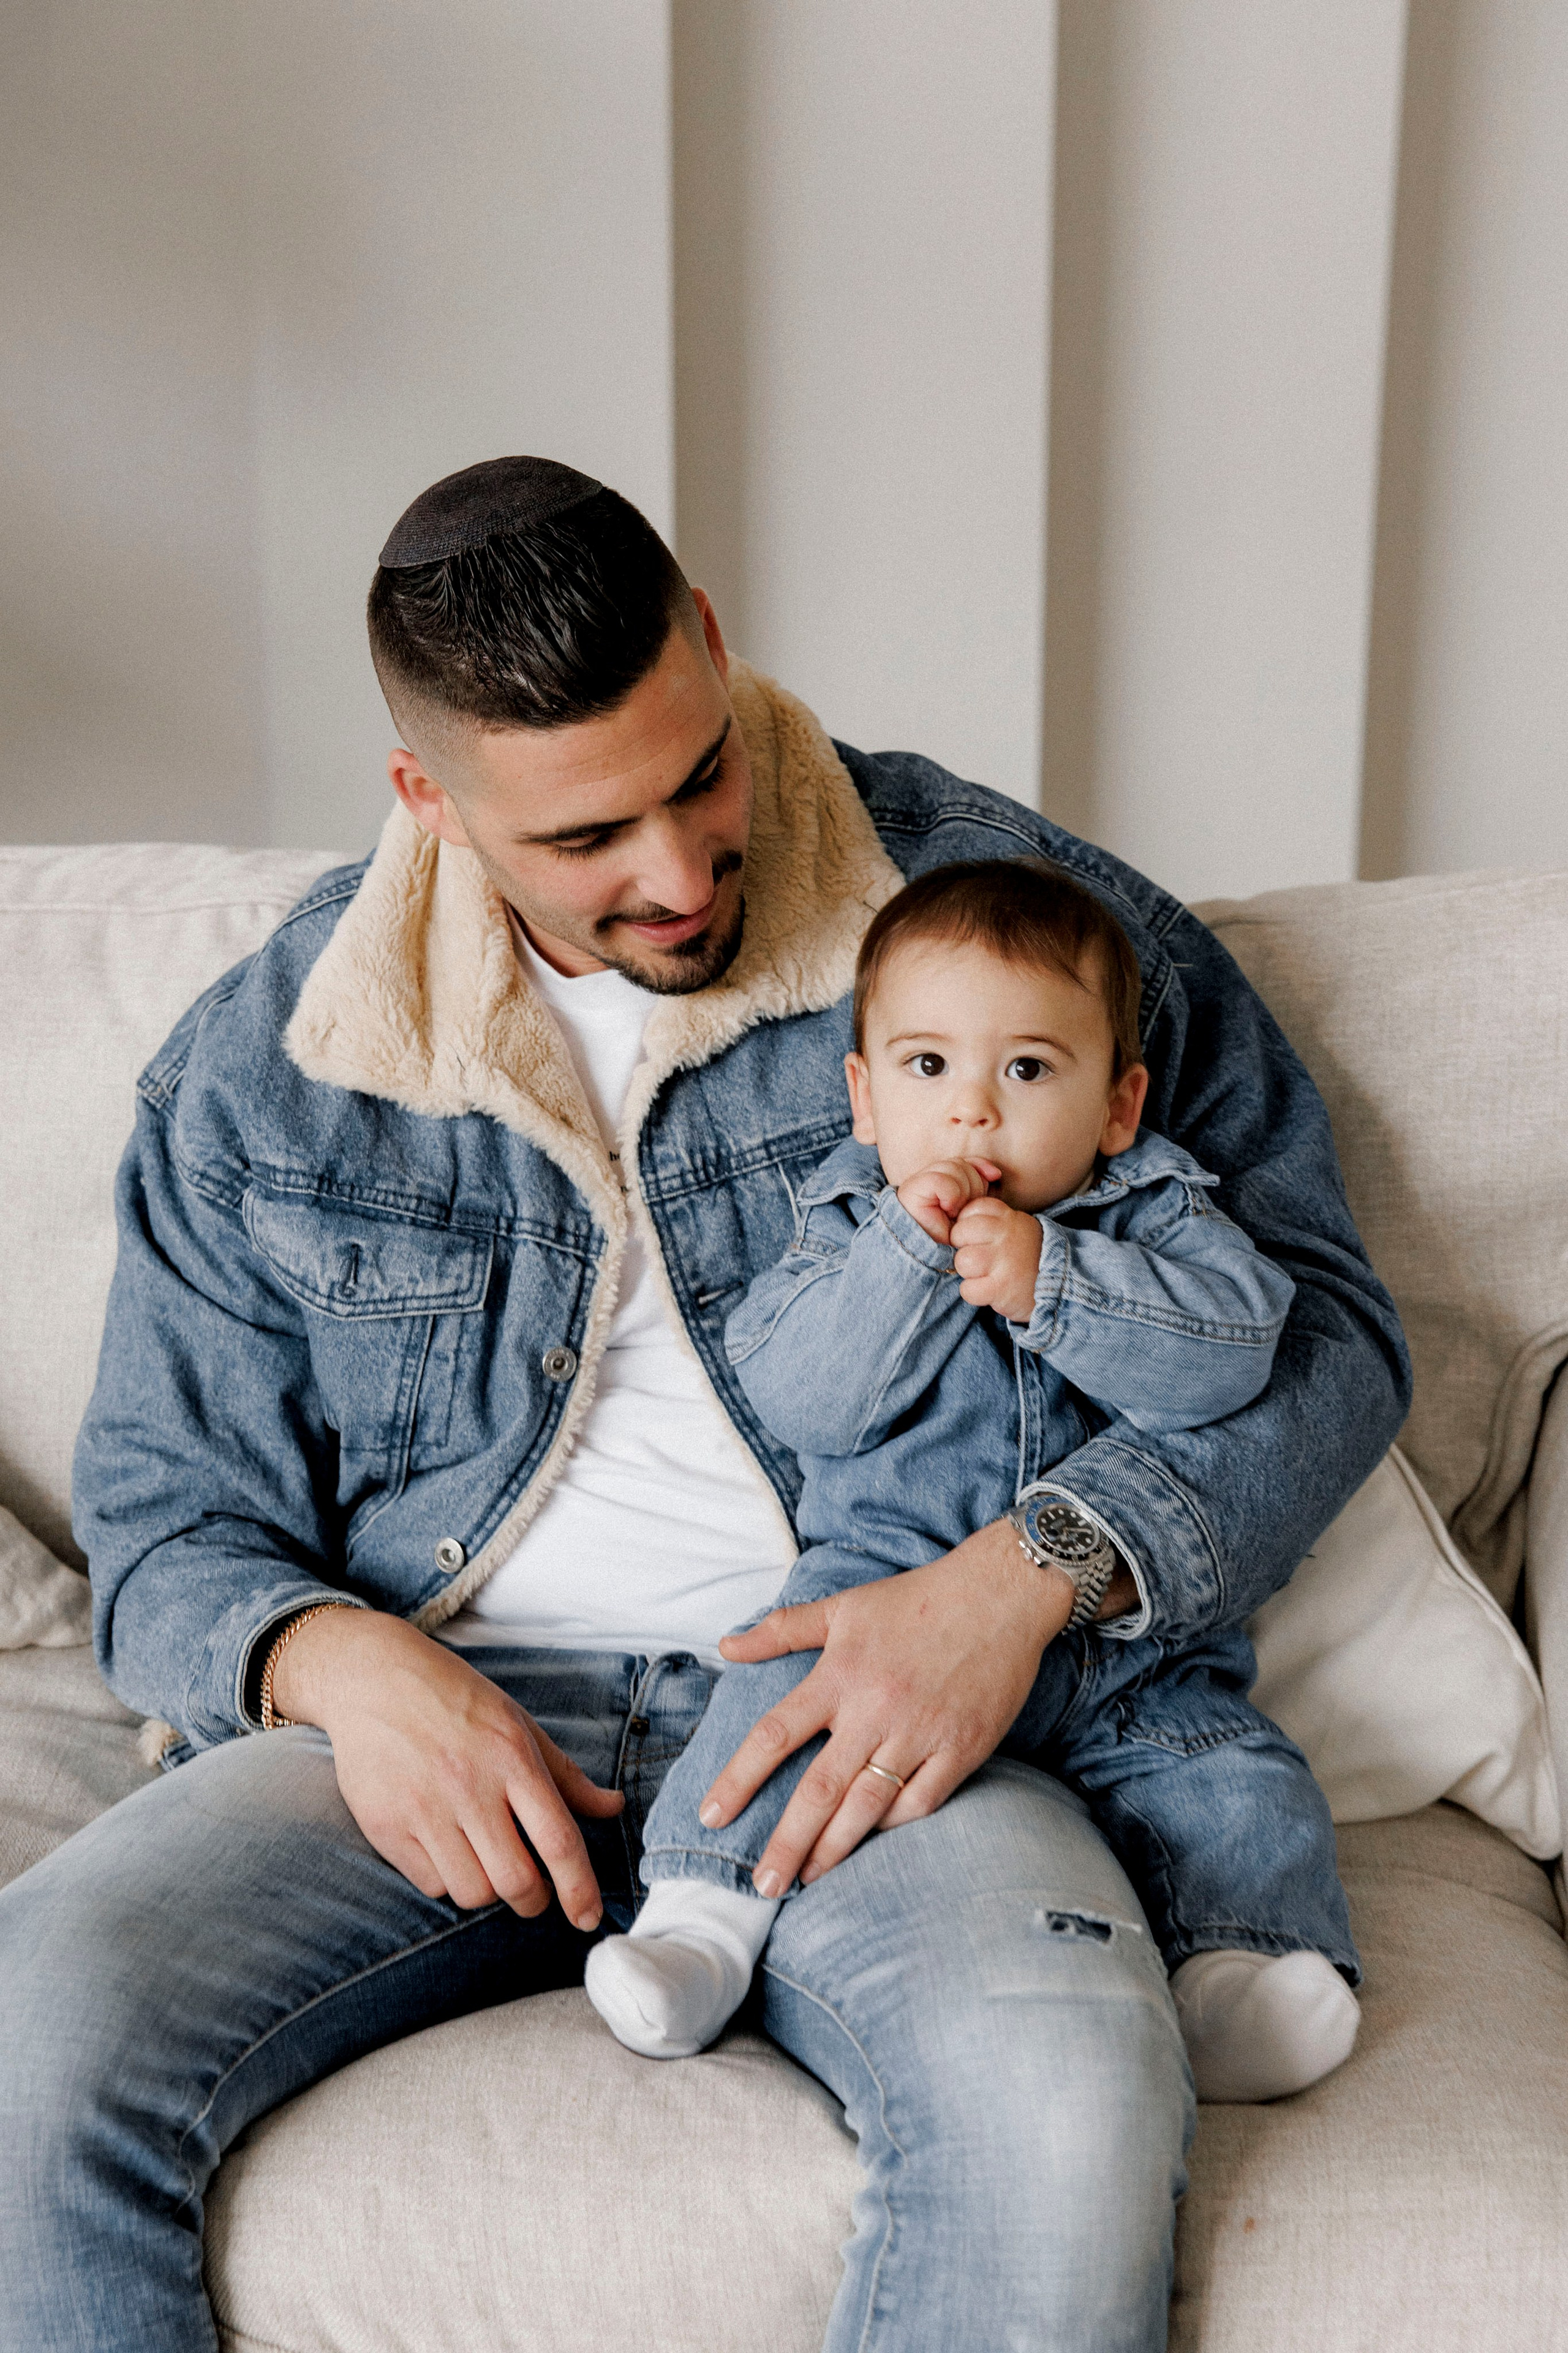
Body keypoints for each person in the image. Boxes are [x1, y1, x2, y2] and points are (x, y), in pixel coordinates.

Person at [0, 456, 1409, 2353]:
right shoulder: (273, 1063)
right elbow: (168, 1530)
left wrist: (1025, 1583)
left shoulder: (999, 917)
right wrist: (342, 1668)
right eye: (588, 837)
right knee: (24, 2045)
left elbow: (1321, 1335)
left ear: (716, 651)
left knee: (1067, 2100)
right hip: (453, 1718)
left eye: (698, 775)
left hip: (876, 1705)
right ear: (432, 797)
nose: (677, 874)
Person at [586, 858, 1362, 2104]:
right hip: (875, 1591)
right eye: (928, 1067)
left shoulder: (1156, 1211)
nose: (972, 1116)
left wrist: (1057, 1281)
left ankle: (1237, 1971)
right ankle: (698, 1928)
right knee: (765, 1707)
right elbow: (803, 1395)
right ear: (862, 1094)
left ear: (1118, 1106)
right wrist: (908, 1250)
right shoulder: (843, 1227)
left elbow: (1234, 1355)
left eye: (1028, 1070)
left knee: (1233, 1778)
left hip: (1123, 1650)